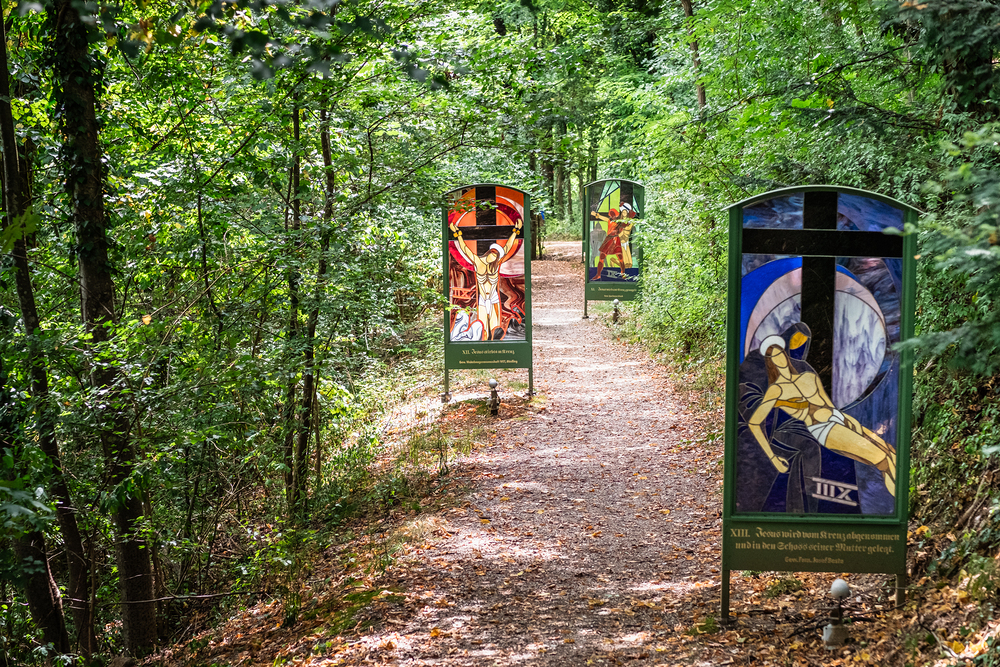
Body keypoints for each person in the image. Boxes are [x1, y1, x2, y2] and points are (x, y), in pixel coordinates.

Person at [748, 333, 897, 497]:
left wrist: (849, 420)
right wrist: (773, 458)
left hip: (838, 418)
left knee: (890, 452)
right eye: (775, 357)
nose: (780, 359)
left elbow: (829, 406)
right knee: (882, 458)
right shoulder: (776, 390)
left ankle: (900, 501)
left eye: (781, 354)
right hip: (823, 428)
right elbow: (753, 423)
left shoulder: (809, 377)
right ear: (771, 362)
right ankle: (896, 502)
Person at [449, 217, 523, 340]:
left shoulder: (495, 265)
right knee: (483, 326)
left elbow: (507, 247)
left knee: (495, 326)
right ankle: (483, 345)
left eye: (496, 256)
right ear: (489, 252)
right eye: (493, 254)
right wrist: (458, 234)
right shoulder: (478, 262)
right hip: (482, 298)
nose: (494, 257)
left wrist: (515, 231)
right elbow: (465, 249)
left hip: (494, 297)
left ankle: (495, 346)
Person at [590, 202, 636, 280]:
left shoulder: (619, 222)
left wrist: (630, 217)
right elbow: (602, 217)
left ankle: (623, 274)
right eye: (611, 214)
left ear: (616, 215)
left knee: (621, 258)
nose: (613, 216)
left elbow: (628, 223)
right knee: (602, 257)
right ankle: (598, 274)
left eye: (614, 214)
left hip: (616, 240)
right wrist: (595, 214)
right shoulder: (609, 220)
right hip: (609, 239)